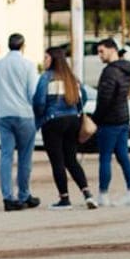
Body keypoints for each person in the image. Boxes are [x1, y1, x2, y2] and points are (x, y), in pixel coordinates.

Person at [33, 47, 96, 210]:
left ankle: (64, 199)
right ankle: (87, 194)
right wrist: (75, 111)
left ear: (53, 59)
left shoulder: (46, 78)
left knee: (57, 161)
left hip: (53, 122)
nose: (44, 61)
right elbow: (85, 96)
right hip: (73, 121)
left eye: (46, 57)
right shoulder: (72, 78)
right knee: (71, 159)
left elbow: (39, 102)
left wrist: (41, 117)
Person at [0, 33, 40, 212]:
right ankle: (24, 195)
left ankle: (7, 197)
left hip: (4, 115)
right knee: (25, 157)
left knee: (6, 157)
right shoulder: (28, 65)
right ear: (23, 46)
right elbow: (33, 92)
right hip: (24, 114)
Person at [93, 38, 130, 206]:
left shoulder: (110, 72)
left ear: (112, 50)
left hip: (109, 121)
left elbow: (105, 99)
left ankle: (103, 195)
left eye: (102, 51)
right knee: (123, 156)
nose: (99, 55)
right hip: (123, 118)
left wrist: (95, 119)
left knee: (105, 158)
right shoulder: (126, 70)